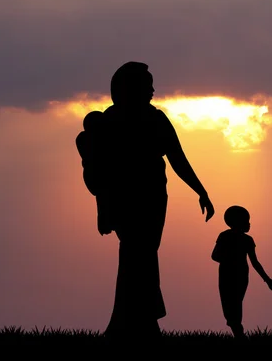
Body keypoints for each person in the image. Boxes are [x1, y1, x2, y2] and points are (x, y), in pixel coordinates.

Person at [76, 61, 215, 343]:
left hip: (152, 197)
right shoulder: (117, 122)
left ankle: (135, 324)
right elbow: (100, 168)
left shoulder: (146, 119)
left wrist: (201, 190)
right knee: (139, 256)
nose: (152, 89)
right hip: (133, 199)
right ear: (130, 88)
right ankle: (138, 325)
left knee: (139, 256)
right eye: (147, 84)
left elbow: (177, 159)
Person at [211, 205, 272, 339]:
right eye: (246, 221)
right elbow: (215, 255)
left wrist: (267, 280)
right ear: (238, 222)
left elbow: (255, 262)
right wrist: (230, 258)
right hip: (226, 275)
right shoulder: (225, 236)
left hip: (240, 276)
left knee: (235, 304)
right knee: (229, 305)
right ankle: (238, 331)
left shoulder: (248, 240)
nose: (249, 224)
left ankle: (238, 333)